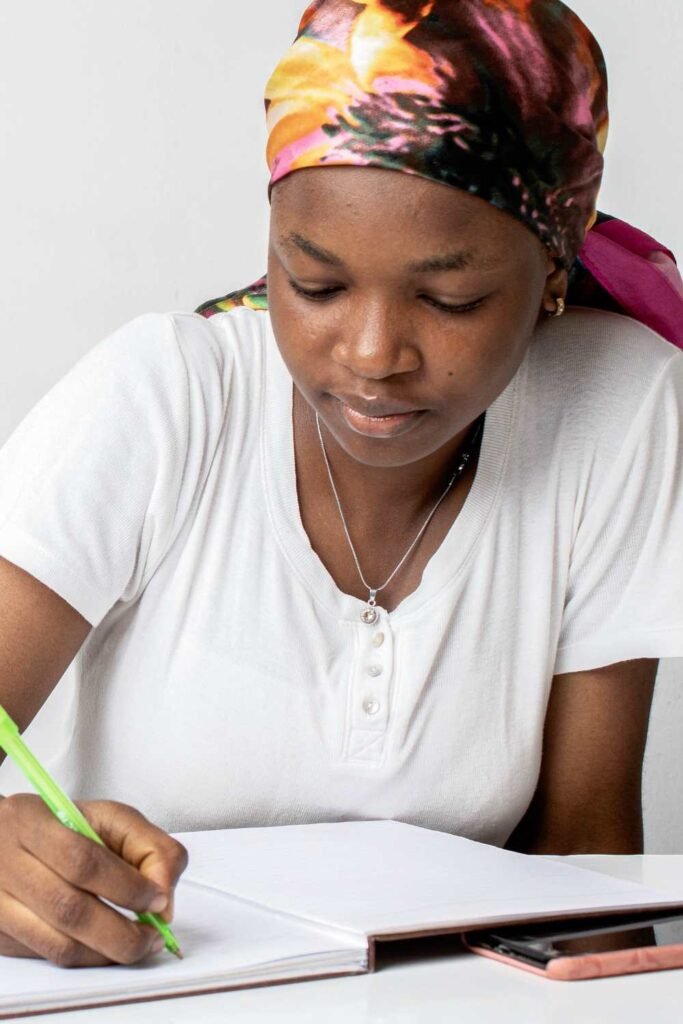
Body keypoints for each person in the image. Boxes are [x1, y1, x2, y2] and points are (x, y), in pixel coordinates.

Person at [0, 0, 681, 970]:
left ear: (553, 275)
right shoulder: (165, 395)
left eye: (450, 299)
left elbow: (583, 846)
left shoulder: (615, 401)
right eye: (313, 284)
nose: (370, 355)